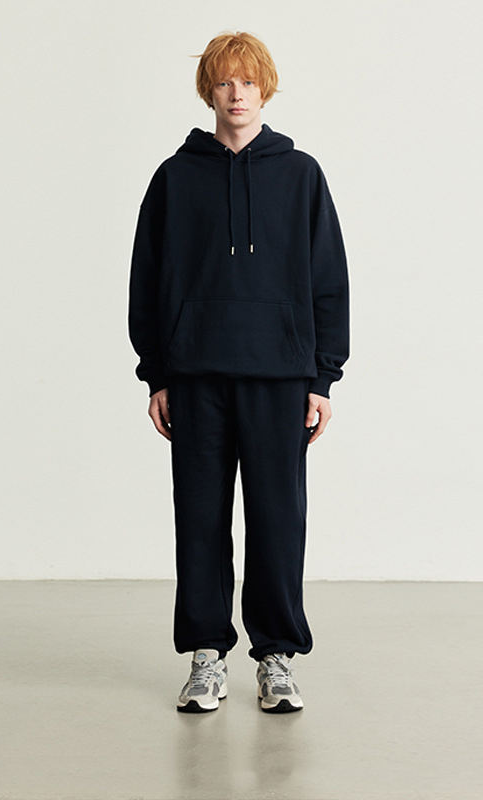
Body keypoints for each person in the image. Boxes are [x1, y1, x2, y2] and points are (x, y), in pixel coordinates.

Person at [127, 31, 350, 714]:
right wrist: (156, 374)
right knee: (199, 518)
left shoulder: (300, 174)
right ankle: (205, 655)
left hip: (280, 375)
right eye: (225, 81)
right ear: (209, 91)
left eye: (249, 82)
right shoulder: (175, 177)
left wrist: (322, 378)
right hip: (196, 374)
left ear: (266, 88)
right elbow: (147, 281)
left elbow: (328, 278)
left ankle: (276, 657)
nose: (237, 94)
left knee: (278, 519)